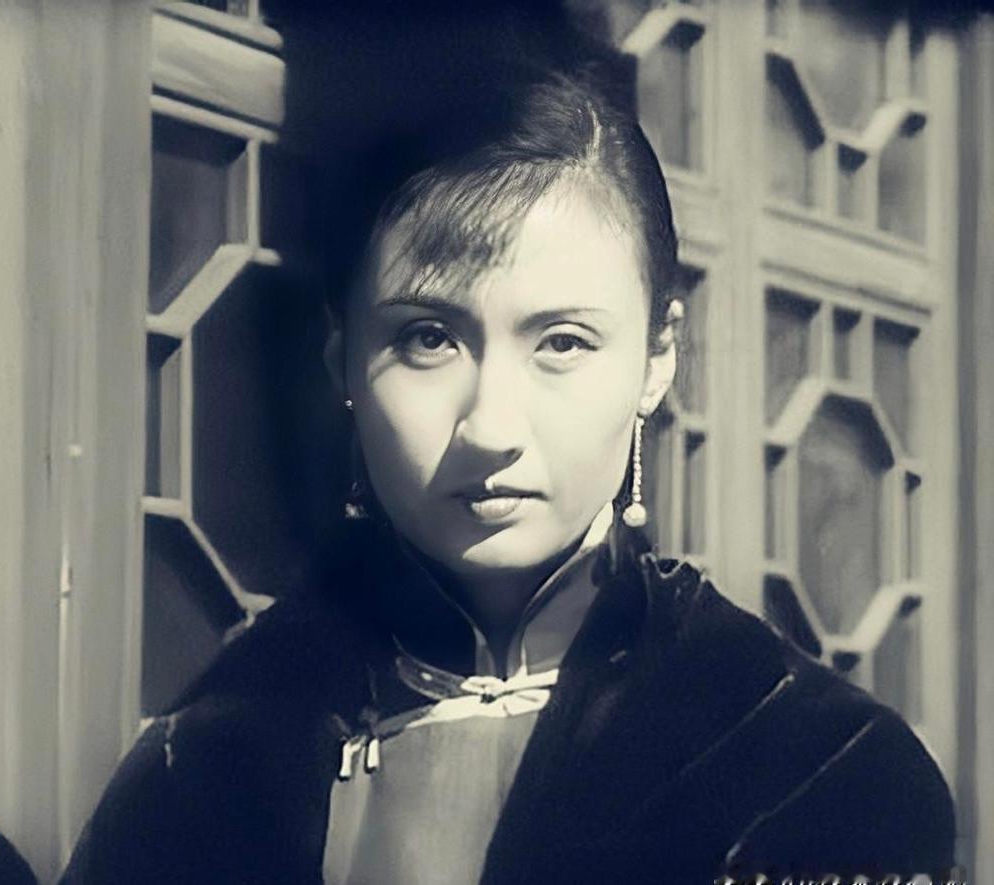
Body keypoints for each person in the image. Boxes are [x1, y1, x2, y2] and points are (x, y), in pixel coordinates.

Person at [47, 68, 955, 885]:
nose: (490, 428)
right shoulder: (206, 767)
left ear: (657, 357)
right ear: (342, 359)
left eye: (562, 342)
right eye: (427, 338)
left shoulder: (812, 766)